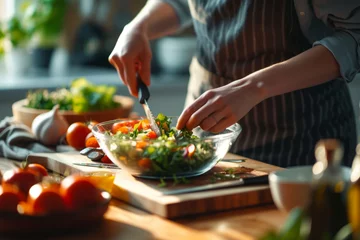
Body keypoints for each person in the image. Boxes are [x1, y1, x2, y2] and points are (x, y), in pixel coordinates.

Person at [108, 0, 360, 167]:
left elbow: (354, 36)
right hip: (205, 142)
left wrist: (253, 87)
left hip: (303, 143)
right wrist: (139, 26)